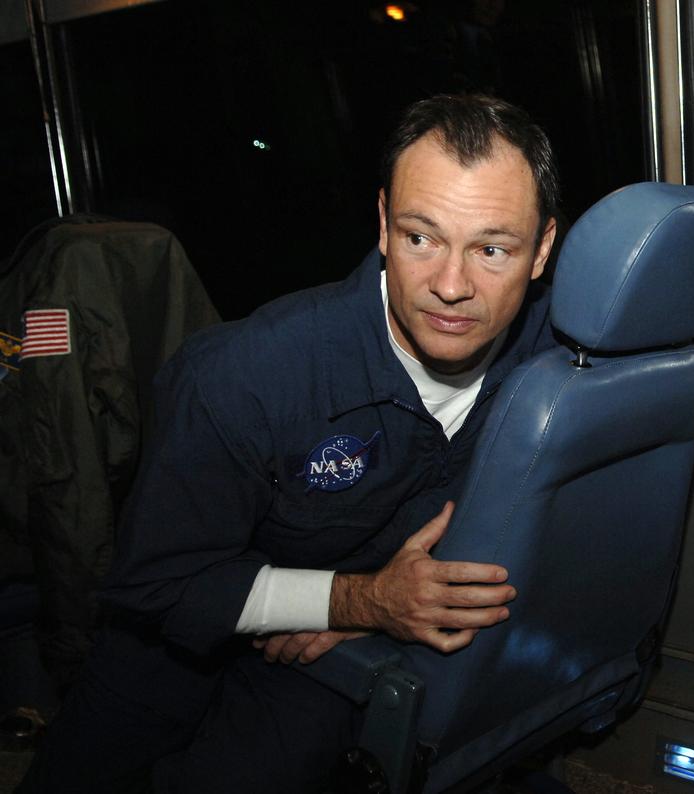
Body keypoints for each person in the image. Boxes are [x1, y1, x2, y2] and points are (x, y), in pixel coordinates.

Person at [21, 93, 561, 793]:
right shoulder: (245, 378)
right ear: (381, 224)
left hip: (325, 657)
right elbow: (159, 585)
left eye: (492, 249)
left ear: (543, 249)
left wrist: (366, 610)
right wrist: (362, 600)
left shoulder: (560, 360)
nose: (450, 286)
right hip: (172, 644)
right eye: (420, 237)